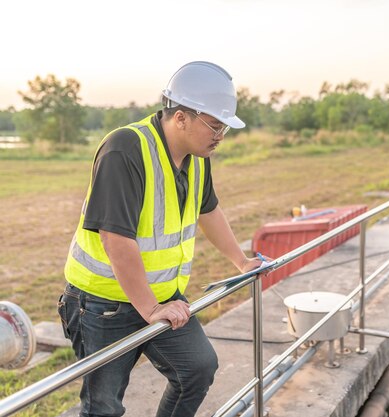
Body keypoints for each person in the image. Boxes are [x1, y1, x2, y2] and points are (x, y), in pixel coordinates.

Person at [57, 61, 263, 417]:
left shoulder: (198, 157)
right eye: (214, 126)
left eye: (225, 128)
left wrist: (241, 262)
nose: (220, 137)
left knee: (197, 369)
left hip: (163, 296)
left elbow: (208, 210)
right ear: (181, 117)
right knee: (103, 406)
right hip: (102, 304)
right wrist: (150, 309)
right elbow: (115, 239)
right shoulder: (126, 149)